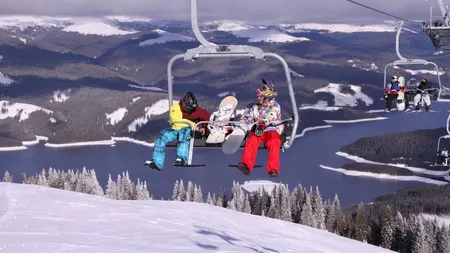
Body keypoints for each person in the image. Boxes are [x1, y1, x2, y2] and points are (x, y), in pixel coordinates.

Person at [145, 92, 211, 170]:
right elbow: (177, 122)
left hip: (187, 131)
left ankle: (182, 158)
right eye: (189, 108)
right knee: (162, 135)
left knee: (184, 132)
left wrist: (204, 128)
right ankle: (156, 162)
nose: (191, 111)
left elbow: (208, 118)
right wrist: (194, 126)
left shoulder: (196, 110)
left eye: (192, 108)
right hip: (175, 130)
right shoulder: (175, 108)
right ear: (184, 104)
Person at [236, 79, 283, 177]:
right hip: (258, 130)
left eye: (260, 96)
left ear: (267, 97)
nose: (258, 98)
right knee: (252, 139)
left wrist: (262, 123)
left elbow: (271, 116)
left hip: (272, 129)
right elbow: (249, 117)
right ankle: (246, 165)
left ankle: (273, 168)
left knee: (274, 141)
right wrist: (242, 123)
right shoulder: (256, 107)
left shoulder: (275, 106)